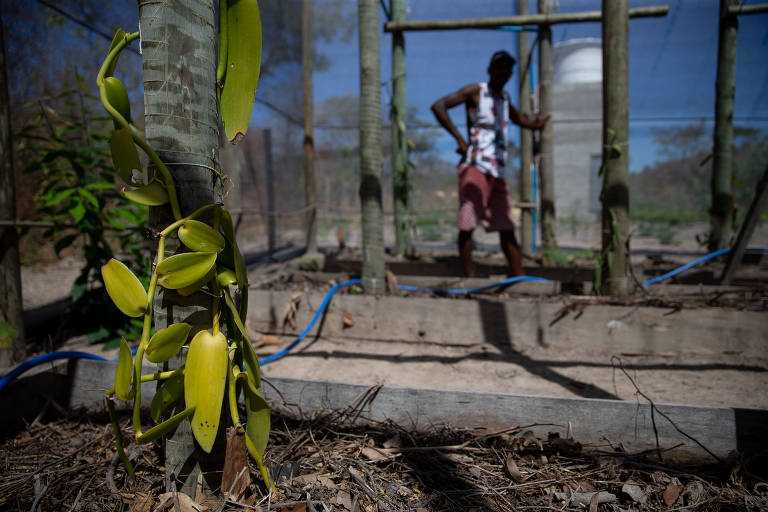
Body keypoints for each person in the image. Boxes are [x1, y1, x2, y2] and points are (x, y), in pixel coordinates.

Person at [431, 50, 550, 277]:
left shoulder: (504, 100)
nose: (504, 71)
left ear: (511, 73)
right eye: (499, 67)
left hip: (498, 172)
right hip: (476, 167)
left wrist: (536, 125)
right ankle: (468, 278)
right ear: (490, 70)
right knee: (467, 223)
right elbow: (439, 106)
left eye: (508, 68)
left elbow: (518, 119)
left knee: (505, 225)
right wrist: (458, 139)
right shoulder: (476, 92)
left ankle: (519, 278)